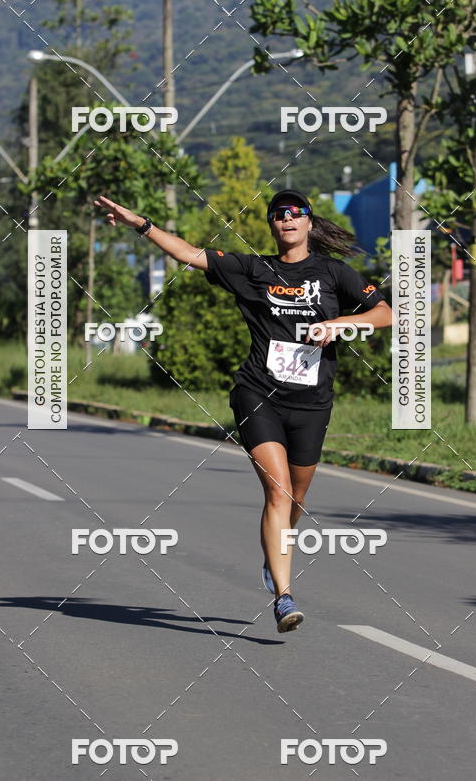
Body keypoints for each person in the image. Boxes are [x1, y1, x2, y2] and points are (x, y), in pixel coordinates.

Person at [94, 189, 393, 633]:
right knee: (279, 494)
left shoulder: (335, 273)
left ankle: (274, 551)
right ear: (272, 225)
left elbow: (386, 313)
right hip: (258, 394)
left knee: (297, 498)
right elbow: (189, 254)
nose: (287, 219)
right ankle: (283, 596)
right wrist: (141, 223)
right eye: (278, 215)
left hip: (312, 402)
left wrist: (338, 324)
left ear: (310, 222)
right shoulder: (254, 269)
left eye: (296, 213)